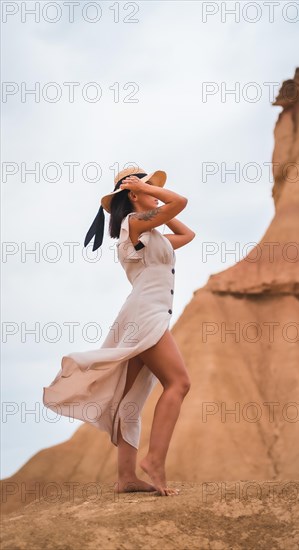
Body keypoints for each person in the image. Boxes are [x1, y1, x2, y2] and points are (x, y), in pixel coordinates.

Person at [43, 167, 195, 497]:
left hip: (143, 314)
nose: (155, 191)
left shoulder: (152, 234)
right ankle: (154, 460)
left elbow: (187, 234)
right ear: (133, 195)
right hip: (146, 315)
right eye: (147, 187)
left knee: (130, 402)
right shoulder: (133, 225)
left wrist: (146, 192)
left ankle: (126, 477)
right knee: (179, 383)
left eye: (154, 188)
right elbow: (179, 201)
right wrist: (144, 190)